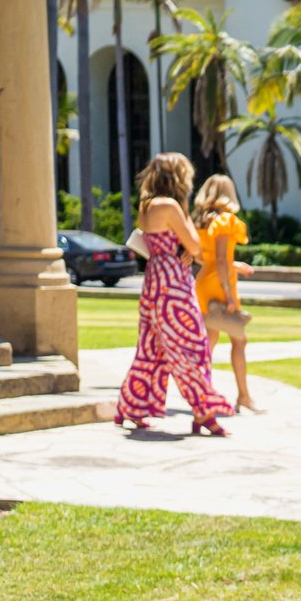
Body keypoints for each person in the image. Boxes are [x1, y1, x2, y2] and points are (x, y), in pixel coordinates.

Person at [114, 153, 235, 436]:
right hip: (174, 286)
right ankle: (204, 413)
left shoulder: (146, 206)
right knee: (192, 347)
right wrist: (187, 241)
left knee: (151, 348)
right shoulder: (170, 205)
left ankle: (130, 406)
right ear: (178, 178)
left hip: (154, 281)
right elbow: (194, 245)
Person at [193, 175, 257, 413]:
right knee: (239, 340)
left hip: (204, 281)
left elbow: (203, 257)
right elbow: (220, 258)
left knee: (209, 340)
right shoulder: (225, 220)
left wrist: (234, 264)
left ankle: (201, 392)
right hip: (220, 284)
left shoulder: (199, 221)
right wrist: (230, 296)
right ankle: (244, 396)